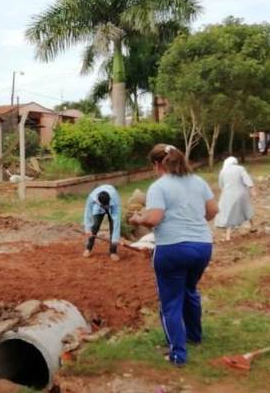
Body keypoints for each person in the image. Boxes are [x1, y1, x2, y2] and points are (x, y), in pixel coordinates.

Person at [129, 144, 218, 366]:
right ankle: (194, 336)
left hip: (172, 249)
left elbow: (154, 218)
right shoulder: (198, 181)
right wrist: (192, 221)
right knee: (190, 290)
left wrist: (138, 219)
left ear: (158, 164)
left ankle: (178, 354)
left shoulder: (159, 187)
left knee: (171, 302)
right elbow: (213, 211)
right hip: (202, 247)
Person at [215, 156, 256, 241]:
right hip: (241, 193)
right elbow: (247, 180)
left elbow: (221, 185)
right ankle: (253, 227)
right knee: (247, 210)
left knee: (229, 213)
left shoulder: (223, 171)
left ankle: (228, 236)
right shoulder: (240, 169)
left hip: (227, 195)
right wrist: (252, 190)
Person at [83, 184, 122, 262]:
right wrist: (87, 229)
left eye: (106, 205)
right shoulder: (92, 197)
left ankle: (113, 252)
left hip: (112, 206)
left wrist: (115, 238)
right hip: (98, 206)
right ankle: (88, 248)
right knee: (95, 226)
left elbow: (117, 220)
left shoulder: (115, 199)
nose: (106, 207)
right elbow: (88, 213)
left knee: (113, 227)